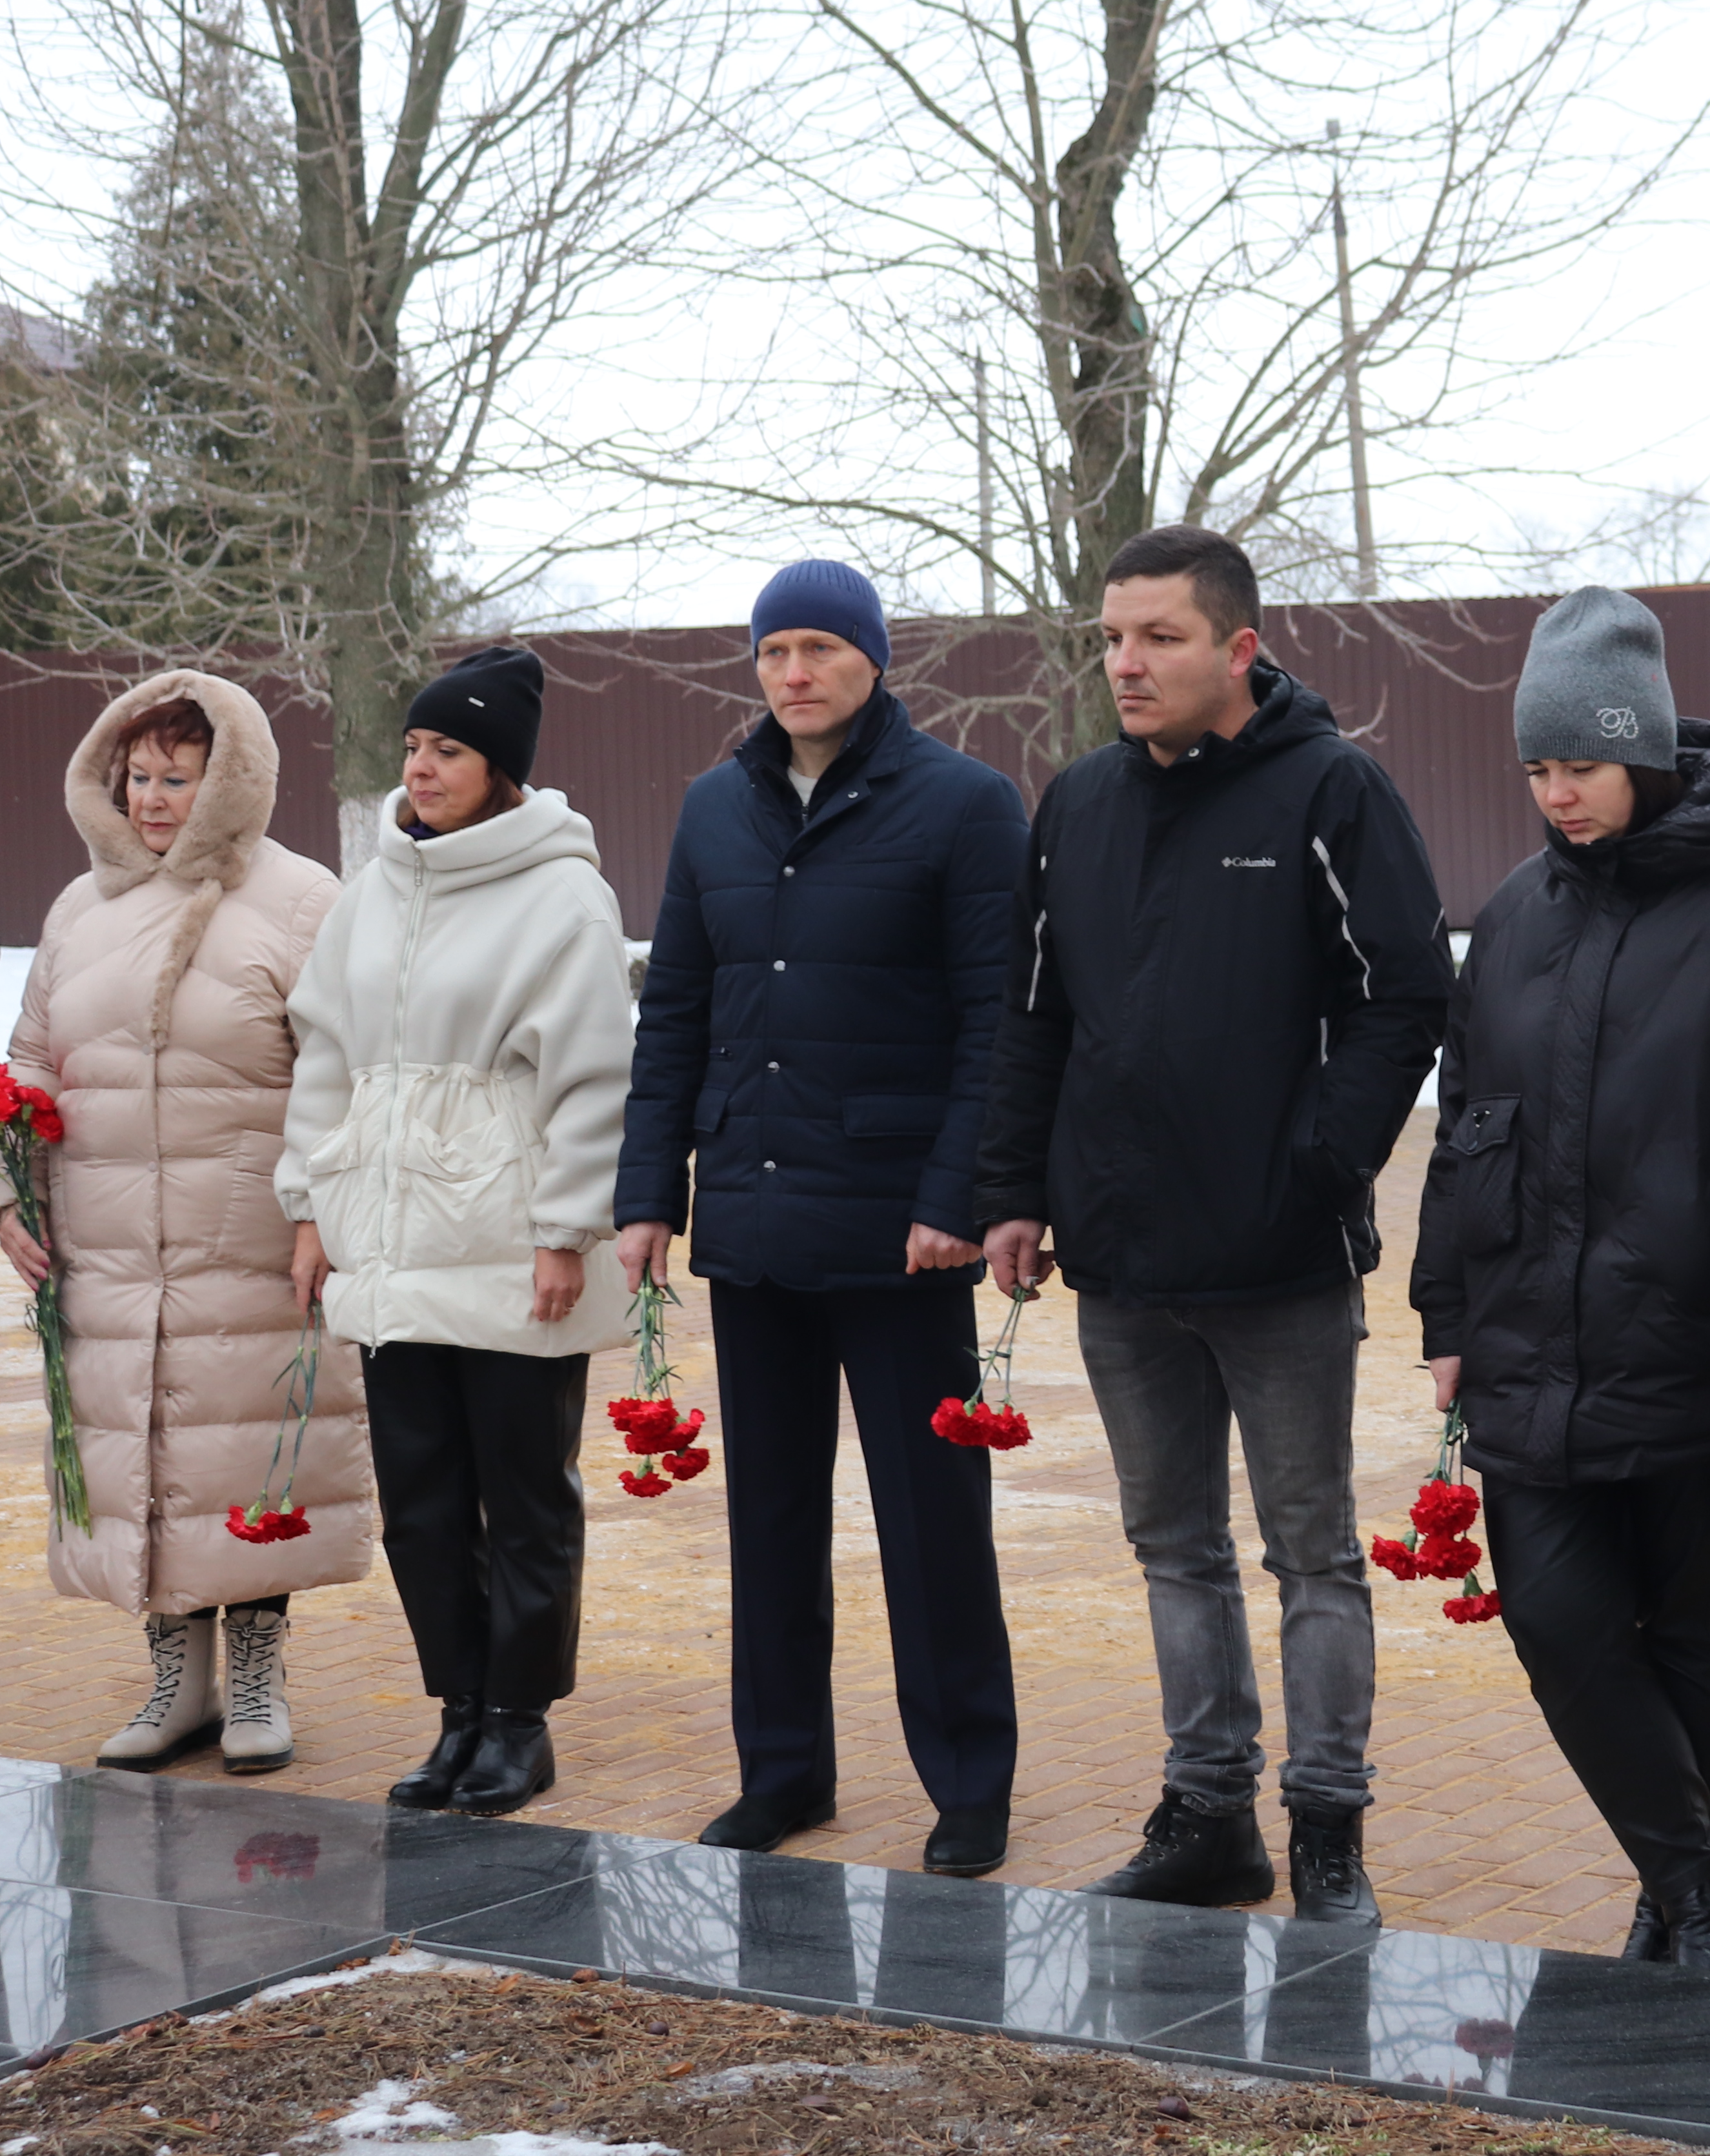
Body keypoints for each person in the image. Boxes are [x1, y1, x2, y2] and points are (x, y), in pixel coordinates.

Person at [976, 524, 1448, 1924]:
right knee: (1170, 1546)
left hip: (1280, 1257)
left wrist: (1319, 1159)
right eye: (1112, 637)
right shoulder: (1077, 804)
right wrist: (1015, 1186)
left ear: (1239, 647)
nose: (1126, 661)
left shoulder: (1332, 789)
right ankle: (1206, 1815)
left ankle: (1327, 1832)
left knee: (1312, 1553)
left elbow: (1405, 996)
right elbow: (1034, 1013)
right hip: (1120, 1257)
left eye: (1159, 637)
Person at [1411, 588, 1710, 1975]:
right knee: (1556, 1616)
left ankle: (1678, 1907)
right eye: (1537, 770)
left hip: (1701, 1330)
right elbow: (1466, 1118)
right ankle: (1702, 1896)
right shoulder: (1518, 915)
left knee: (1694, 1632)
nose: (1557, 795)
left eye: (1580, 767)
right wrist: (1446, 1313)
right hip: (1533, 1336)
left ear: (1646, 753)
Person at [616, 559, 1028, 1876]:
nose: (794, 672)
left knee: (930, 1522)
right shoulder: (712, 809)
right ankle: (782, 1770)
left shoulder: (964, 804)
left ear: (872, 658)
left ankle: (968, 1779)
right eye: (774, 649)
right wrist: (647, 1194)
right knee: (772, 1521)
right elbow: (675, 1008)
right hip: (753, 1215)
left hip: (903, 1232)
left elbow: (995, 1025)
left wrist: (954, 1197)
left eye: (820, 648)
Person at [279, 643, 638, 1817]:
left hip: (507, 1238)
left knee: (526, 1491)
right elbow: (324, 1056)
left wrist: (566, 1231)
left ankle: (522, 1722)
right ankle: (459, 1713)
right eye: (418, 747)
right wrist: (310, 1211)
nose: (424, 768)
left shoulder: (563, 894)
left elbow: (593, 1077)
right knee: (421, 1494)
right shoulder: (373, 886)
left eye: (452, 751)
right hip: (386, 1241)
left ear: (504, 771)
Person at [0, 672, 363, 1775]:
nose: (153, 800)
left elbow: (343, 1072)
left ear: (231, 780)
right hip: (104, 1241)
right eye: (138, 776)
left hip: (249, 1233)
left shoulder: (304, 901)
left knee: (245, 1457)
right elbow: (27, 1060)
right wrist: (9, 1188)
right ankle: (174, 1680)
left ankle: (254, 1677)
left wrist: (320, 1214)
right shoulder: (76, 907)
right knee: (141, 1458)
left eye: (178, 778)